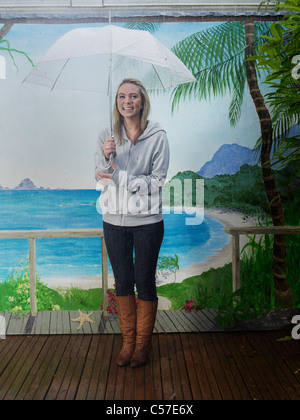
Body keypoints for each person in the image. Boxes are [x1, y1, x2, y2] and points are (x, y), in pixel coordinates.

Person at [95, 78, 170, 368]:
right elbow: (99, 174)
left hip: (148, 220)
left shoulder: (158, 135)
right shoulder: (106, 134)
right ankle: (127, 343)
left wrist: (120, 177)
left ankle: (142, 347)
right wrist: (106, 155)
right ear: (116, 102)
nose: (127, 101)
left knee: (144, 282)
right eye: (122, 96)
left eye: (133, 97)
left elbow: (157, 181)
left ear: (142, 101)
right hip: (113, 220)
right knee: (123, 282)